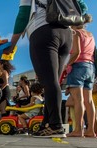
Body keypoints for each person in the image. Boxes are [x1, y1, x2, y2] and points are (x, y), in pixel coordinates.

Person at [6, 0, 73, 137]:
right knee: (53, 82)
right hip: (67, 33)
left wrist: (12, 45)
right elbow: (82, 6)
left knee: (48, 82)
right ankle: (47, 124)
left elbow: (23, 15)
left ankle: (56, 126)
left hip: (43, 30)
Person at [65, 14, 96, 137]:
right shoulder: (91, 35)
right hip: (90, 67)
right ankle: (91, 131)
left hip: (78, 66)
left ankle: (78, 129)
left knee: (78, 100)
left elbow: (76, 52)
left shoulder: (75, 33)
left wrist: (66, 65)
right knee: (89, 101)